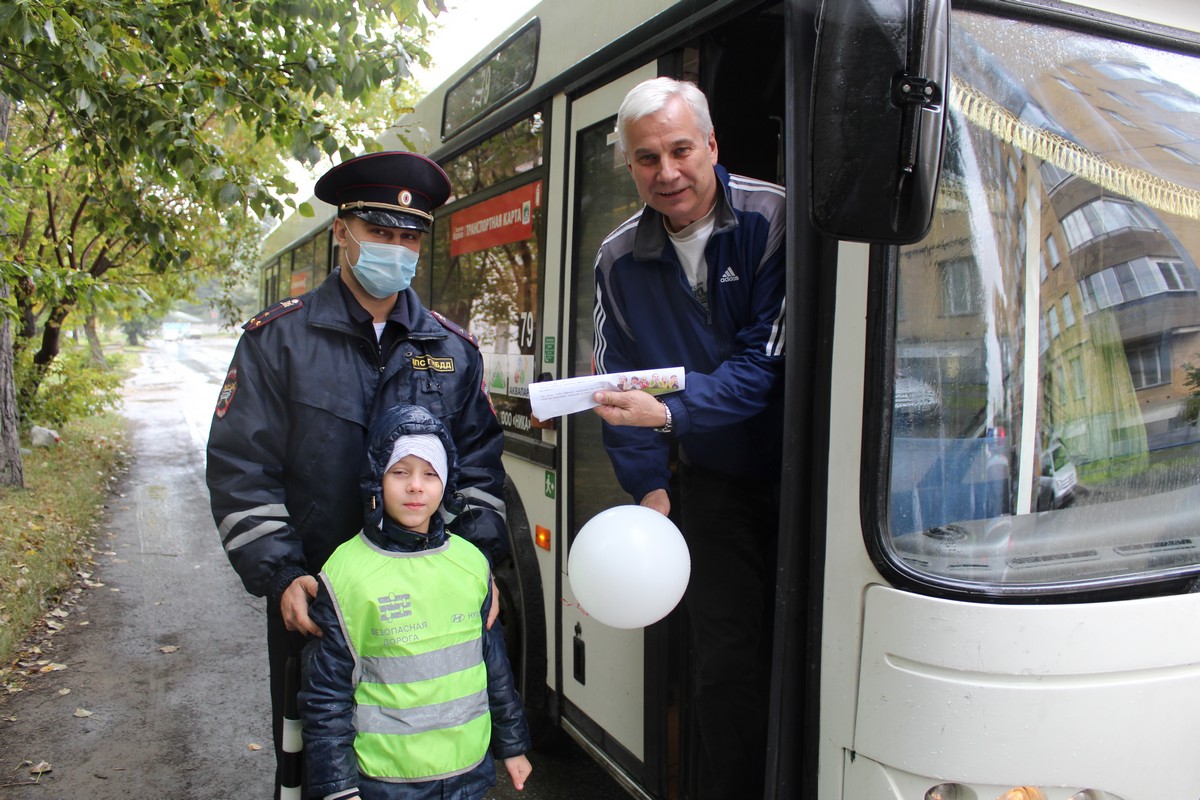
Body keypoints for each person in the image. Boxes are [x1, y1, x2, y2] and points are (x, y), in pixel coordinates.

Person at [206, 151, 508, 798]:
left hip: (429, 608)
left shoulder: (450, 351)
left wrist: (479, 568)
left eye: (409, 238)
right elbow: (241, 468)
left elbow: (479, 465)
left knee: (433, 759)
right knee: (321, 765)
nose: (396, 249)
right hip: (320, 603)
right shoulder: (277, 342)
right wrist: (281, 573)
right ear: (341, 231)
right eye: (380, 232)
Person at [590, 77, 786, 800]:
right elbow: (617, 385)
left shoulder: (776, 219)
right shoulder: (616, 259)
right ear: (631, 166)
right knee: (724, 665)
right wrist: (651, 488)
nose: (666, 173)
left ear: (711, 144)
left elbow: (762, 369)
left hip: (807, 479)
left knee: (796, 655)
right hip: (710, 485)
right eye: (646, 158)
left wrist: (669, 415)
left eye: (679, 150)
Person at [299, 404, 532, 800]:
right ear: (376, 479)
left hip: (466, 774)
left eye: (430, 473)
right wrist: (338, 787)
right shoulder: (346, 574)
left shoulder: (471, 563)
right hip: (385, 782)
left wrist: (512, 745)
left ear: (446, 482)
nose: (416, 487)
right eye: (400, 472)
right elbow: (326, 697)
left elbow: (493, 666)